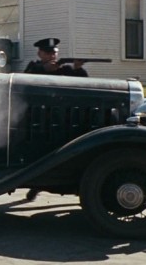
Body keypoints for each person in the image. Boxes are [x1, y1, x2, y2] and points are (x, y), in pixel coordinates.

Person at [23, 38, 87, 201]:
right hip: (39, 118)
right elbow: (25, 80)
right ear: (40, 53)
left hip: (59, 118)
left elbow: (83, 84)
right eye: (48, 53)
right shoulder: (34, 66)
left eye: (55, 53)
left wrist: (78, 69)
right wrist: (44, 69)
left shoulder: (64, 69)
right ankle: (34, 185)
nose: (52, 56)